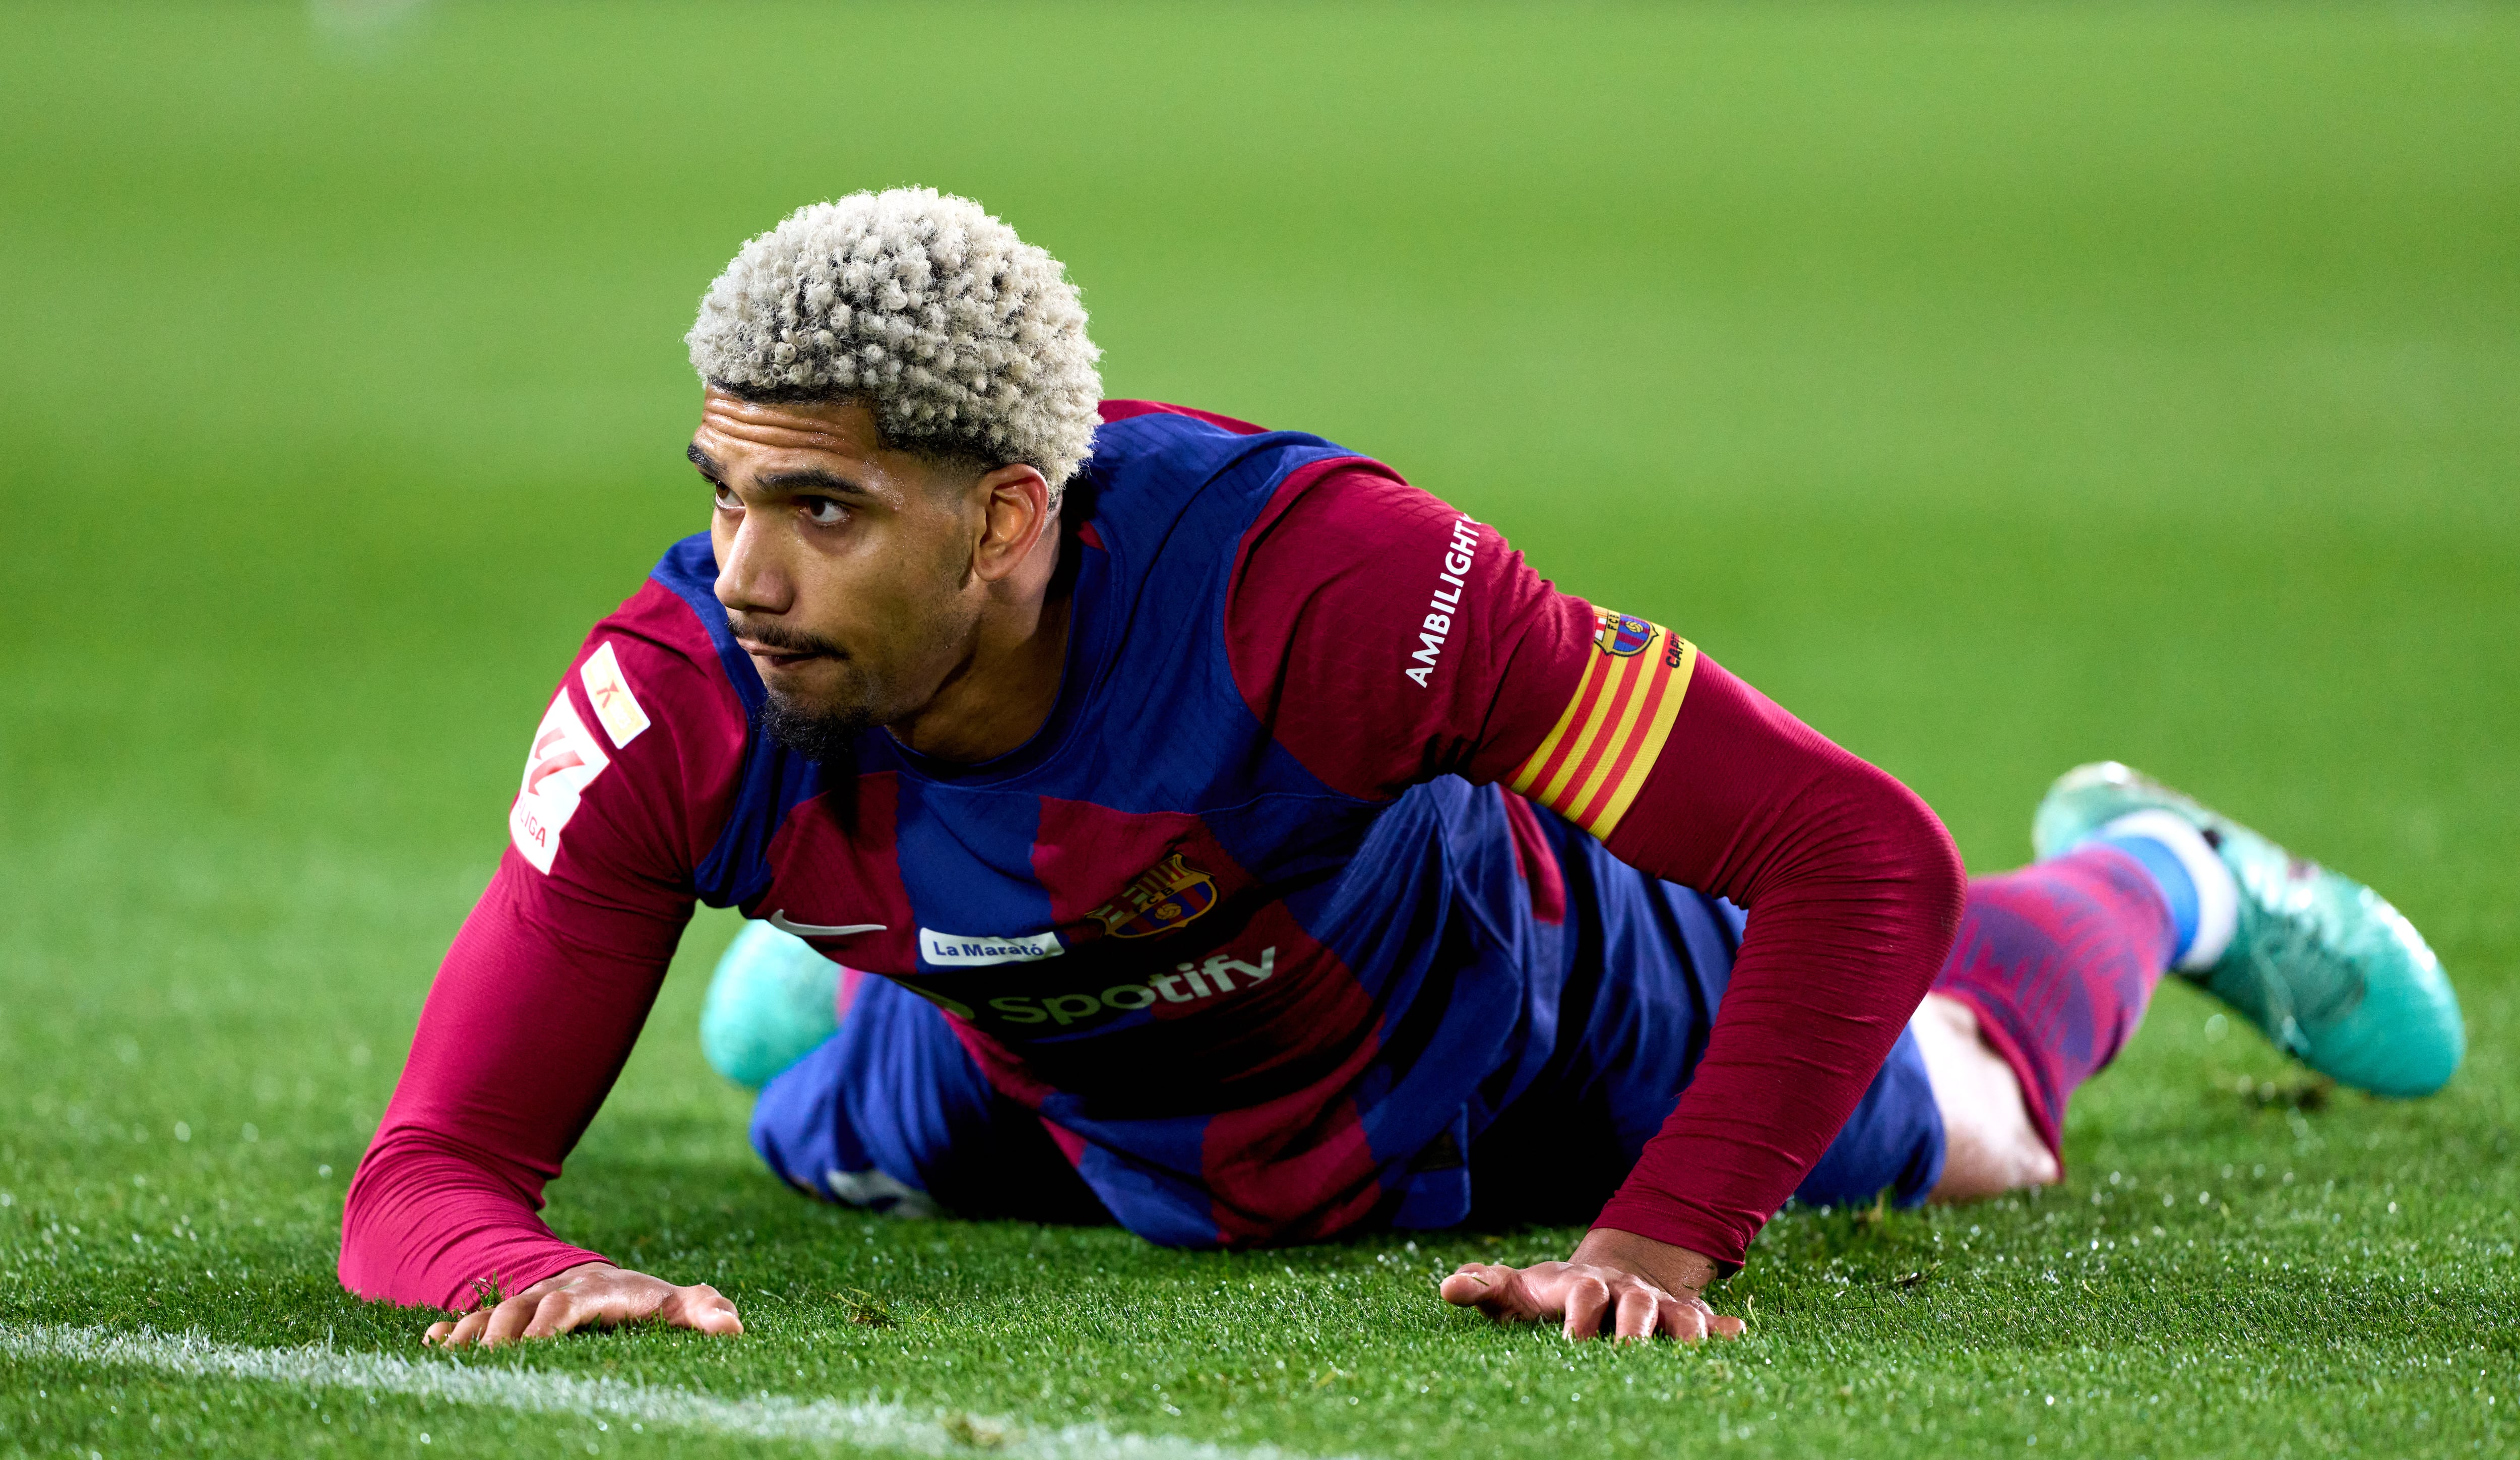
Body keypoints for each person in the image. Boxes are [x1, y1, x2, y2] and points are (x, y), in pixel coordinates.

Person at [340, 189, 2464, 1349]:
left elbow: (1856, 855)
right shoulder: (679, 698)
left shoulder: (1322, 584)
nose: (741, 571)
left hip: (1516, 1022)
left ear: (1003, 520)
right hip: (1061, 1083)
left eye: (820, 510)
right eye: (722, 493)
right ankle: (866, 965)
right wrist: (522, 1273)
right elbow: (427, 1174)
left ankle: (2168, 876)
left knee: (1981, 1129)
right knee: (816, 1149)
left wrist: (1659, 1245)